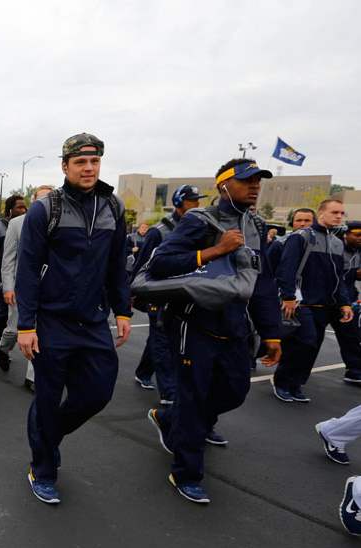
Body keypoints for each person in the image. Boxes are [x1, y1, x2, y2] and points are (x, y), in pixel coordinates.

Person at [146, 158, 282, 504]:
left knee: (235, 392)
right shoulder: (198, 221)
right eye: (247, 181)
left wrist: (272, 332)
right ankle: (186, 472)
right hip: (195, 324)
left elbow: (262, 283)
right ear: (223, 186)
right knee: (193, 399)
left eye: (258, 181)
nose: (255, 187)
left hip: (236, 327)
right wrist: (214, 251)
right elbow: (161, 264)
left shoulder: (256, 224)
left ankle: (169, 419)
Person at [16, 133, 132, 504]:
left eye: (94, 162)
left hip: (93, 321)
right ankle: (44, 468)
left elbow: (117, 265)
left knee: (98, 392)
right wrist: (26, 325)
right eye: (81, 162)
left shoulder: (112, 208)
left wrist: (123, 309)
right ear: (65, 165)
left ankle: (49, 434)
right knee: (48, 398)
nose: (89, 168)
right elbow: (28, 269)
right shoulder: (44, 209)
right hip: (51, 322)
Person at [130, 184, 206, 408]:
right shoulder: (159, 232)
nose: (197, 205)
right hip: (159, 295)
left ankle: (143, 371)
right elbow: (142, 265)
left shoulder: (198, 229)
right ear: (179, 203)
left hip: (184, 295)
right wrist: (131, 292)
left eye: (198, 201)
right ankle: (169, 392)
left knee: (160, 338)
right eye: (192, 201)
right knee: (163, 340)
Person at [272, 198, 352, 402]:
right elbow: (286, 269)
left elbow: (339, 277)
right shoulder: (301, 237)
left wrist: (344, 302)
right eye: (335, 212)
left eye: (342, 213)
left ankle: (296, 384)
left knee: (313, 346)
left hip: (325, 305)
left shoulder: (336, 242)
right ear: (321, 213)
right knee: (303, 343)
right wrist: (288, 296)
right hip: (302, 302)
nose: (339, 216)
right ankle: (282, 382)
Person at [2, 185, 54, 390]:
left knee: (39, 331)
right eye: (41, 199)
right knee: (14, 329)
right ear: (34, 202)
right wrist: (8, 287)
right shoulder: (16, 224)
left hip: (47, 290)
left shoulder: (59, 224)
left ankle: (32, 377)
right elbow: (9, 260)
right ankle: (3, 349)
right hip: (19, 287)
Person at [0, 194, 26, 372]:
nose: (23, 210)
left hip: (21, 279)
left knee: (13, 318)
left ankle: (4, 347)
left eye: (24, 207)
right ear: (9, 210)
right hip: (1, 278)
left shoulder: (27, 225)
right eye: (19, 207)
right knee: (3, 313)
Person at [336, 221, 361, 383]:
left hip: (348, 299)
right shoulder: (336, 248)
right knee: (307, 338)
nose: (360, 238)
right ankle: (256, 352)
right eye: (357, 234)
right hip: (326, 299)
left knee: (350, 337)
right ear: (346, 234)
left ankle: (354, 371)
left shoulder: (359, 252)